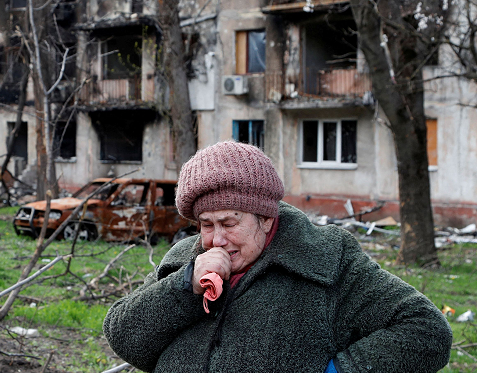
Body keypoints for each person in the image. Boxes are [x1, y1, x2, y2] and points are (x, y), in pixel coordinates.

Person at [103, 141, 453, 373]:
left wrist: (340, 370)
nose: (217, 240)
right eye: (206, 224)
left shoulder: (325, 257)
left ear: (266, 217)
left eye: (229, 222)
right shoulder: (185, 260)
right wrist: (183, 288)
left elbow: (426, 330)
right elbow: (123, 336)